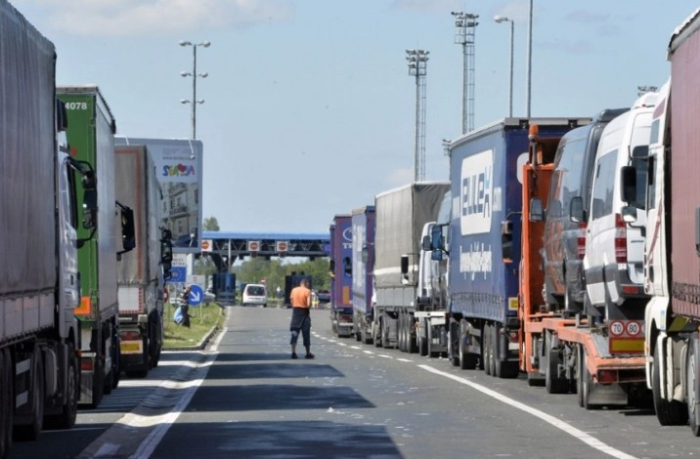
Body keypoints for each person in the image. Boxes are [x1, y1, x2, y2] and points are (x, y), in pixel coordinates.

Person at [289, 279, 314, 359]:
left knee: (294, 333)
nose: (308, 286)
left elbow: (292, 301)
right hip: (304, 313)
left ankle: (293, 352)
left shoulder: (294, 290)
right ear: (305, 283)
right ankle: (308, 353)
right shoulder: (307, 291)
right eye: (308, 284)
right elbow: (308, 304)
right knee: (306, 334)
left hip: (296, 313)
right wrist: (308, 306)